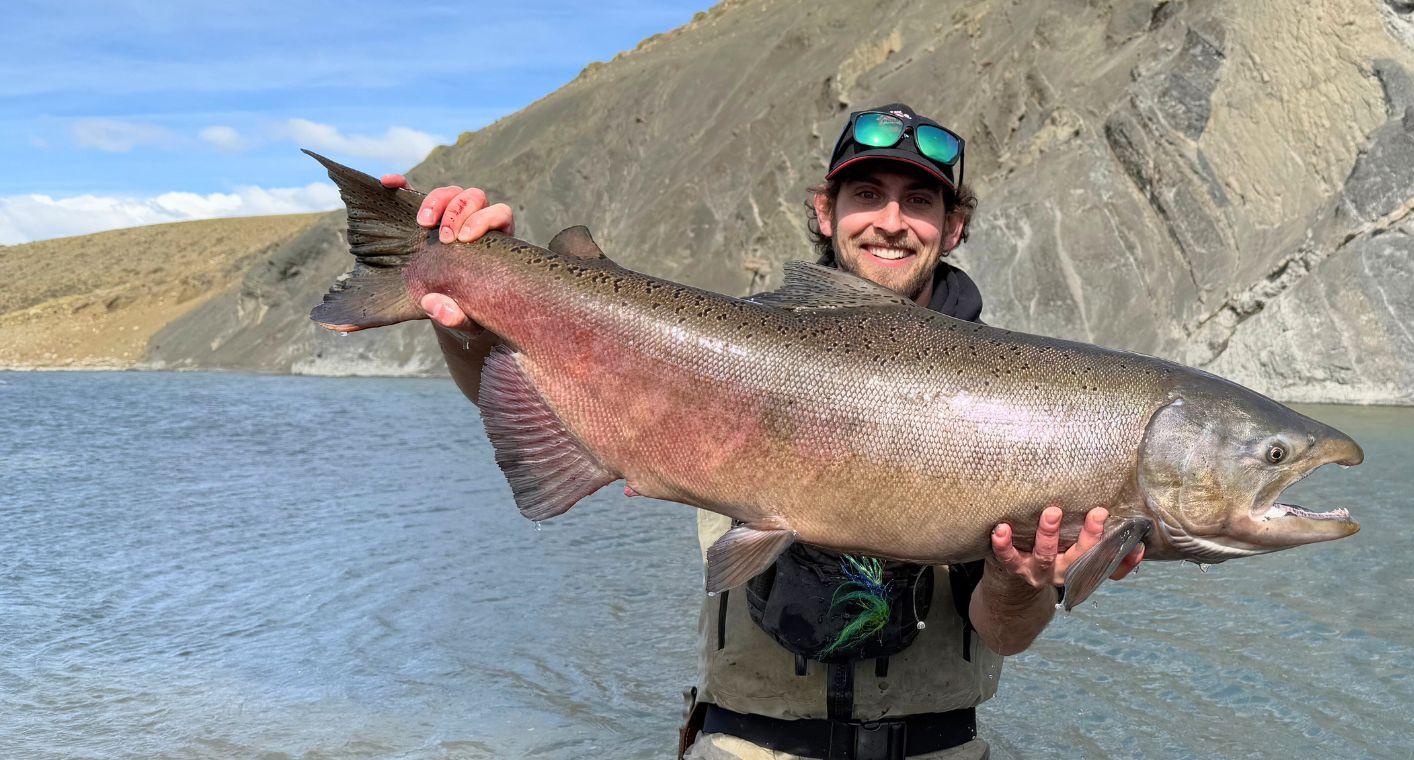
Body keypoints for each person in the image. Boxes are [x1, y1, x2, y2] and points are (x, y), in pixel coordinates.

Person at [383, 103, 1145, 760]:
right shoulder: (728, 348)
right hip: (749, 744)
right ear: (825, 211)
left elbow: (1003, 634)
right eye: (867, 194)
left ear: (954, 228)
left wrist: (1021, 582)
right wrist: (467, 302)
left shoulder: (1027, 406)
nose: (890, 220)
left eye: (920, 201)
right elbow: (540, 393)